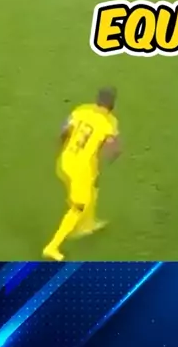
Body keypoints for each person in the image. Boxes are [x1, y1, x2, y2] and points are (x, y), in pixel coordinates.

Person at [43, 87, 121, 262]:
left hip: (67, 159)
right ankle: (52, 247)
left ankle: (88, 224)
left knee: (93, 185)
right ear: (112, 105)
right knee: (78, 206)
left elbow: (64, 130)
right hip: (80, 168)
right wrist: (114, 152)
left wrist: (60, 145)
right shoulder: (109, 123)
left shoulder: (82, 110)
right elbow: (113, 147)